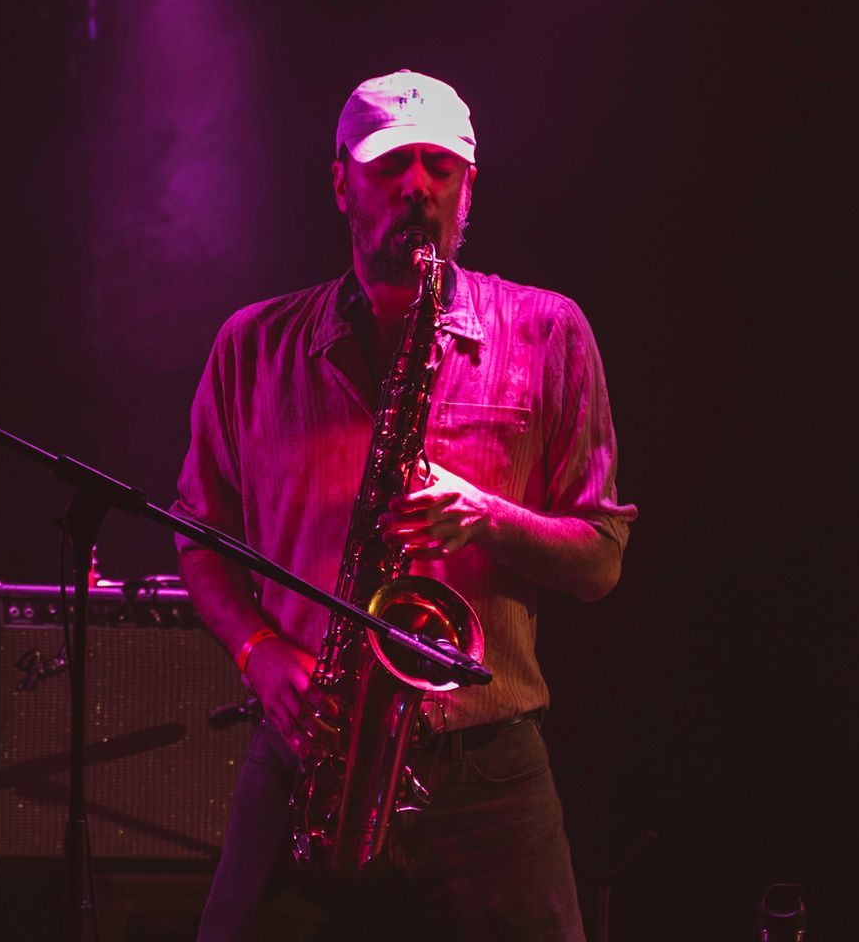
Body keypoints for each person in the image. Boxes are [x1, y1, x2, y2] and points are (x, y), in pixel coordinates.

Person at [172, 69, 635, 941]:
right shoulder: (255, 346)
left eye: (439, 167)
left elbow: (602, 561)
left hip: (488, 772)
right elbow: (199, 536)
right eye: (391, 165)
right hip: (313, 751)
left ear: (468, 189)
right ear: (341, 181)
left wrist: (486, 515)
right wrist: (259, 649)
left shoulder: (549, 331)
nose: (417, 187)